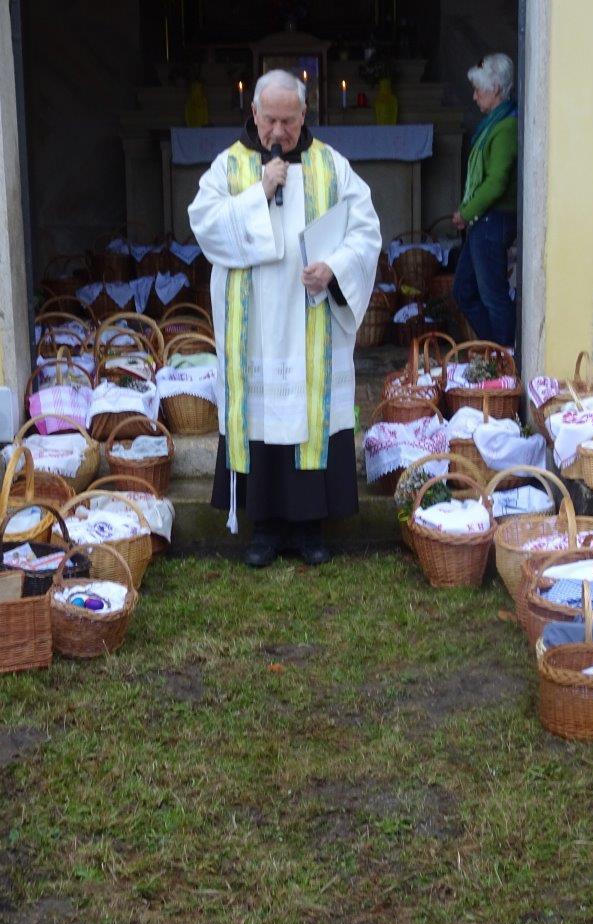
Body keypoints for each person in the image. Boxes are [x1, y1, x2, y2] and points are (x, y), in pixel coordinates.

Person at [187, 70, 381, 567]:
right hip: (253, 328)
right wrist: (258, 193)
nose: (277, 131)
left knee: (310, 418)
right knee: (260, 420)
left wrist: (334, 268)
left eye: (288, 121)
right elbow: (205, 225)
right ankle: (265, 529)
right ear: (254, 113)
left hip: (310, 318)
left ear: (304, 115)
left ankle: (310, 527)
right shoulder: (230, 167)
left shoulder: (332, 166)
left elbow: (365, 232)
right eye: (269, 120)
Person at [451, 53, 518, 347]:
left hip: (493, 220)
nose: (475, 96)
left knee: (493, 297)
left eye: (479, 89)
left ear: (498, 90)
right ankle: (497, 351)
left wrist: (466, 213)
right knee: (463, 290)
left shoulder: (506, 127)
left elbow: (496, 182)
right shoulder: (494, 124)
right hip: (485, 220)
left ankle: (504, 356)